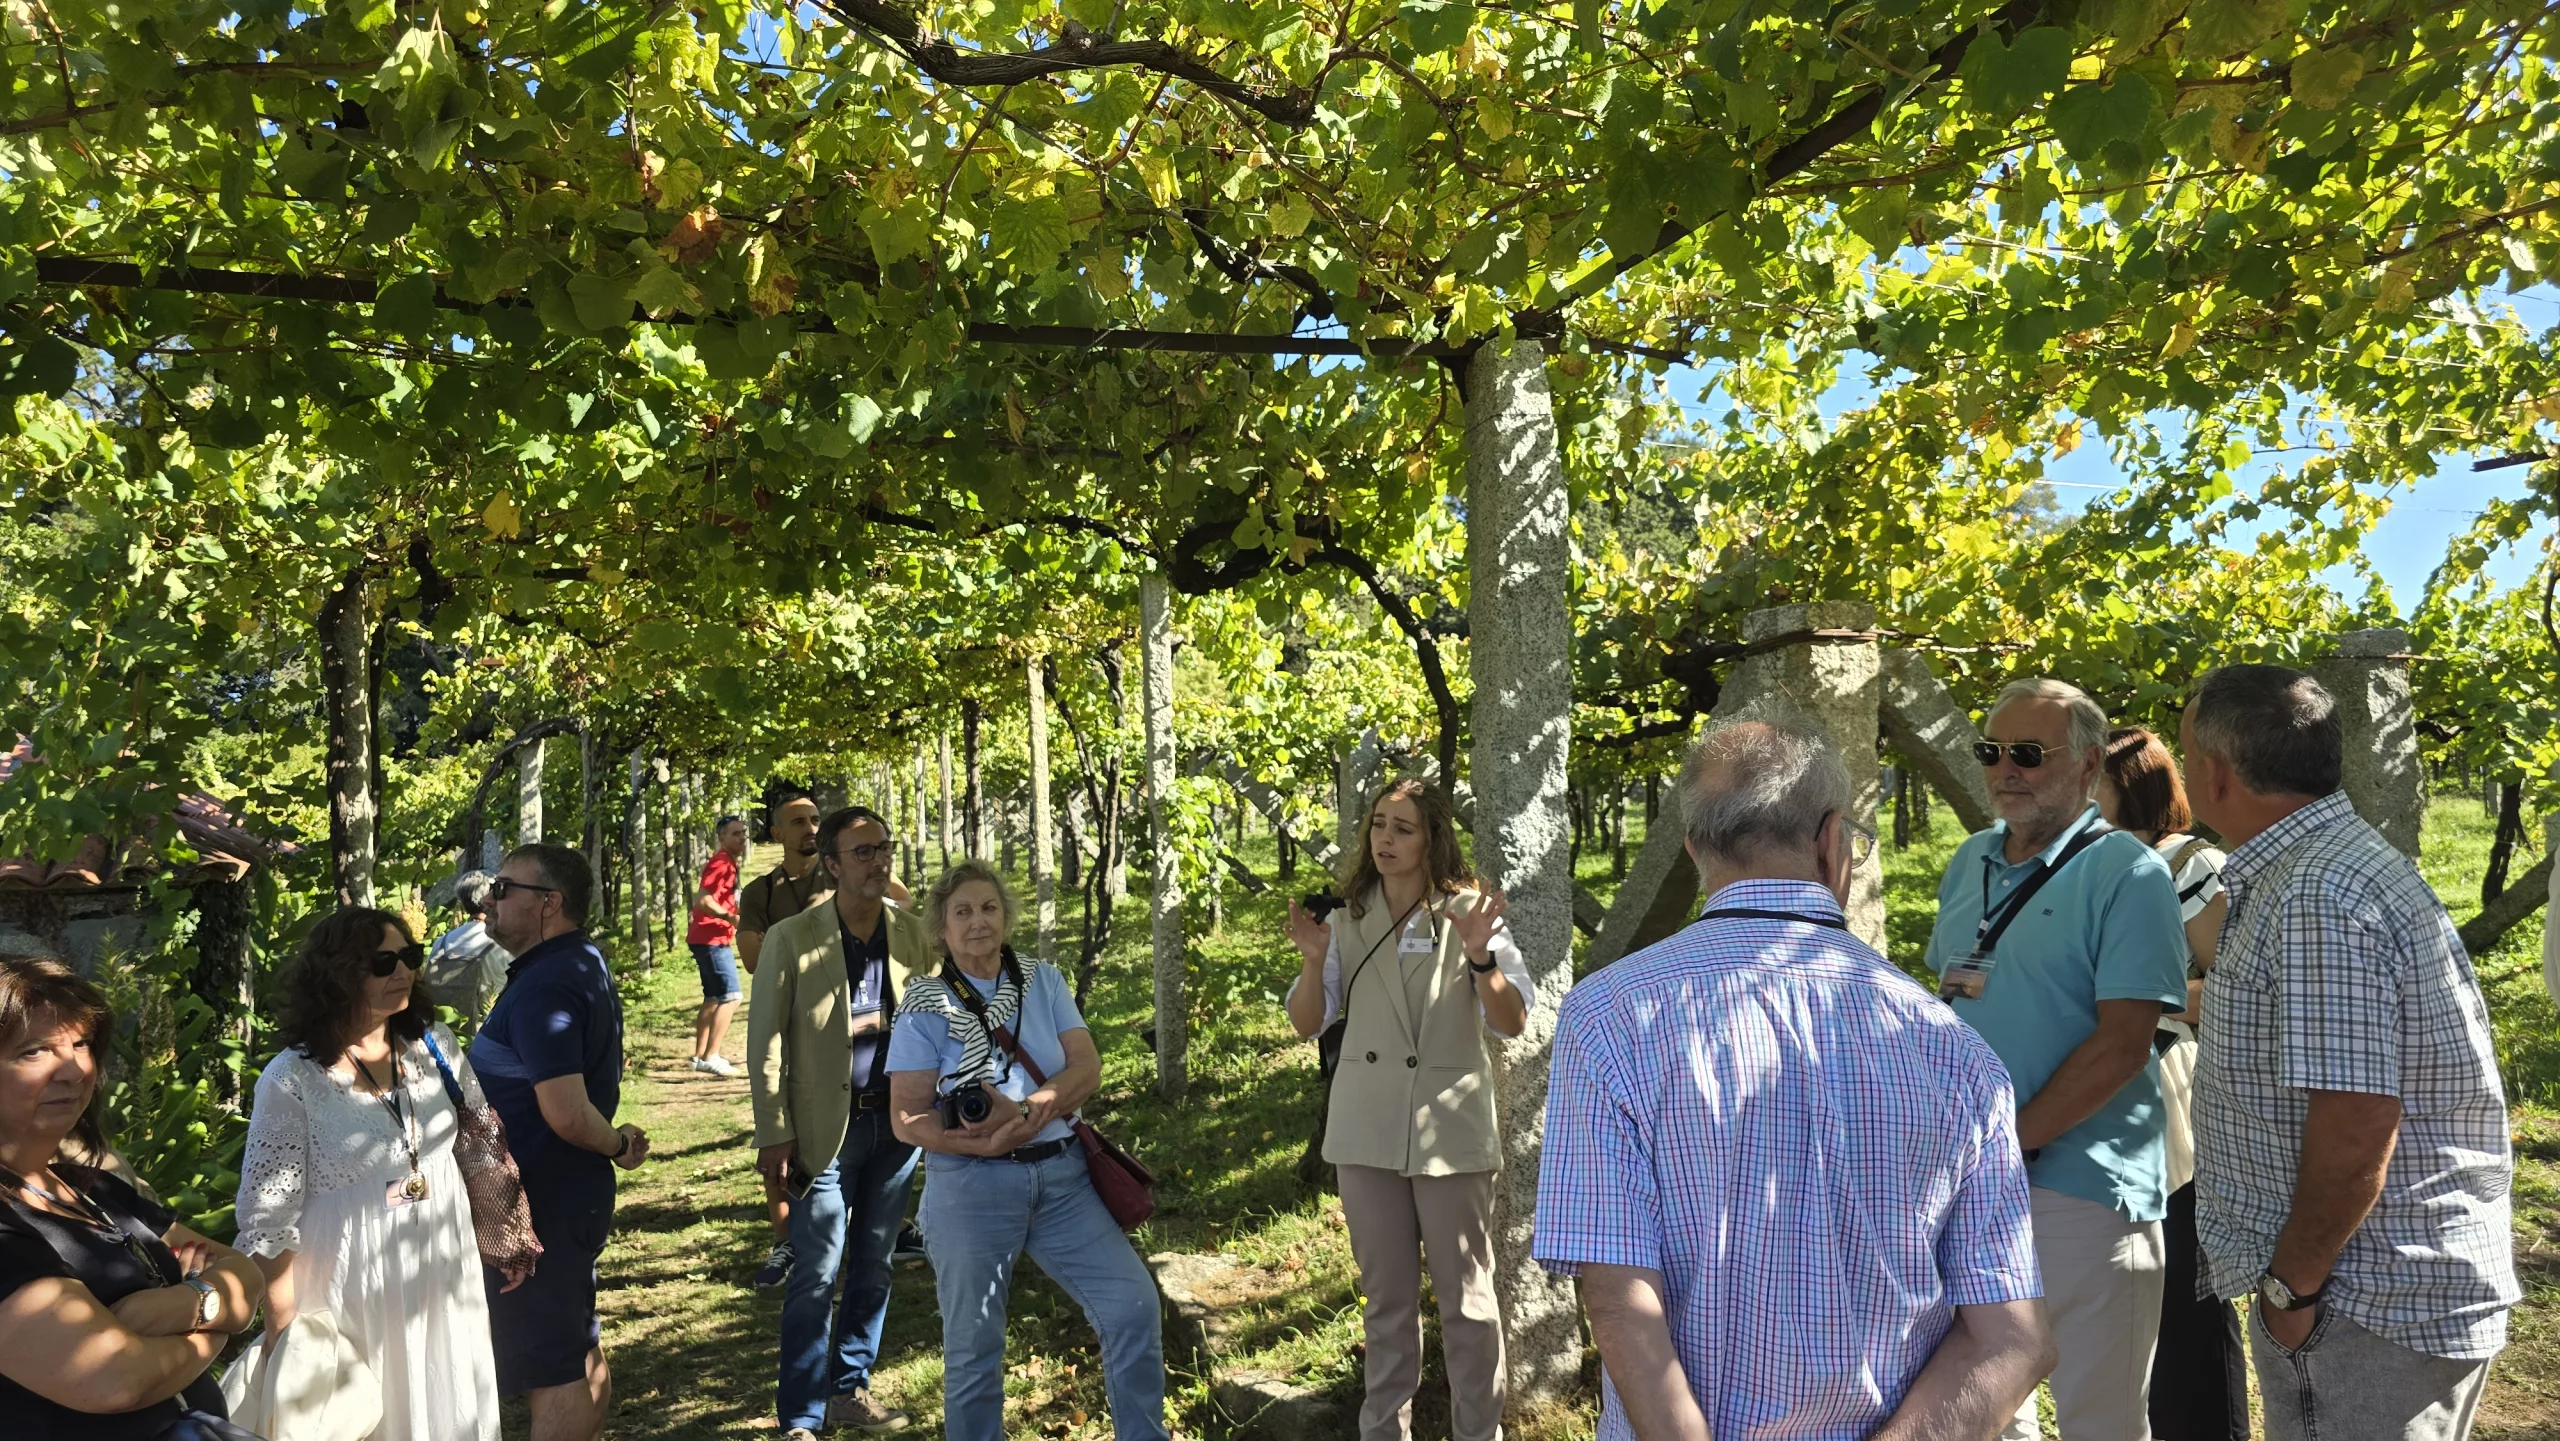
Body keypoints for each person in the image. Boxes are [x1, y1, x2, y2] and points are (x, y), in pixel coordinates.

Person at [1536, 721, 2054, 1440]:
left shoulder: (1609, 1016)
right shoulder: (1954, 1050)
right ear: (1833, 841)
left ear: (1694, 848)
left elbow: (1621, 1302)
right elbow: (2012, 1337)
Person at [2184, 665, 2518, 1440]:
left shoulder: (2315, 894)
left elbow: (2357, 1118)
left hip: (2361, 1299)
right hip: (2373, 1290)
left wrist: (2292, 1289)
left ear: (2217, 772)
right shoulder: (2324, 866)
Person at [1923, 678, 2189, 1441]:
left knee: (2099, 1417)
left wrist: (2010, 1139)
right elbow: (1951, 1002)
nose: (2005, 769)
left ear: (2088, 764)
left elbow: (2123, 1043)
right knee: (1990, 1406)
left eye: (2029, 753)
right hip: (1976, 1182)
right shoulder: (1970, 858)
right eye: (1991, 751)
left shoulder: (2129, 873)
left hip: (2082, 1190)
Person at [1280, 777, 1533, 1441]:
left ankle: (1478, 1432)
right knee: (1387, 1303)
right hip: (1367, 1129)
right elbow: (1306, 1023)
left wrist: (1481, 958)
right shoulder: (1345, 917)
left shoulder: (1469, 912)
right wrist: (1312, 963)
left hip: (1449, 1128)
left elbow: (1511, 1022)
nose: (1385, 839)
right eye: (1378, 825)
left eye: (1403, 828)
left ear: (1432, 839)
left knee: (1468, 1303)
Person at [886, 860, 1164, 1441]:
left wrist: (1031, 1110)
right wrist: (978, 1140)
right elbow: (906, 1117)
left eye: (989, 908)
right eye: (963, 912)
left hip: (1063, 1180)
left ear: (1006, 917)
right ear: (941, 928)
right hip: (969, 1186)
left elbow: (1086, 1067)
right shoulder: (924, 1004)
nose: (978, 922)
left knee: (1133, 1306)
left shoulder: (1044, 980)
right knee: (974, 1350)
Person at [235, 907, 515, 1441]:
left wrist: (505, 1232)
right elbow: (268, 1221)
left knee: (448, 1397)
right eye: (383, 963)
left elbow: (479, 1139)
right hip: (352, 1284)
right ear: (338, 974)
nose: (403, 971)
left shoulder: (433, 1045)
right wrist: (282, 1330)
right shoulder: (291, 1079)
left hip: (441, 1265)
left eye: (409, 956)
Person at [0, 954, 266, 1440]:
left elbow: (245, 1276)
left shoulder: (91, 1188)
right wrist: (214, 1329)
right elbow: (113, 1379)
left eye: (81, 1044)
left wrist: (183, 1306)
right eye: (35, 1051)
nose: (73, 1069)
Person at [750, 806, 932, 1437]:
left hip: (897, 1128)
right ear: (831, 864)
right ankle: (800, 1416)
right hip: (824, 1130)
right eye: (863, 852)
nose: (879, 861)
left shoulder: (911, 933)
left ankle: (849, 1388)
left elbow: (937, 1019)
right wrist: (774, 1129)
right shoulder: (792, 938)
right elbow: (766, 1039)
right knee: (817, 1268)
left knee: (875, 1262)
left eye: (884, 848)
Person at [469, 843, 649, 1441]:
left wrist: (617, 1145)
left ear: (550, 903)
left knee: (552, 1364)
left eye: (503, 889)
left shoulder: (547, 984)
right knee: (572, 1344)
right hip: (558, 1195)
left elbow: (567, 1113)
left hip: (540, 1203)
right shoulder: (572, 963)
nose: (488, 900)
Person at [2094, 726, 2245, 1441]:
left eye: (2092, 779)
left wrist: (2132, 996)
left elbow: (2237, 991)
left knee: (2187, 1289)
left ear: (2132, 786)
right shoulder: (2083, 863)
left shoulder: (2188, 863)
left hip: (2171, 1101)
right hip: (2102, 1100)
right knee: (2132, 1294)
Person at [740, 789, 831, 1286]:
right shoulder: (760, 892)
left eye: (815, 819)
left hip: (838, 1023)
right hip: (783, 1022)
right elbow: (755, 959)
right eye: (798, 821)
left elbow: (898, 911)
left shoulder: (841, 872)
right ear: (776, 833)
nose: (810, 828)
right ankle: (786, 1241)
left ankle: (875, 1226)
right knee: (777, 1128)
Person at [688, 814, 749, 1076]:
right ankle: (711, 1056)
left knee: (713, 998)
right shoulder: (722, 863)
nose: (742, 838)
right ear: (722, 838)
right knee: (732, 996)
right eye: (735, 834)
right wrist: (729, 917)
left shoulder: (728, 862)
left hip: (706, 938)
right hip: (711, 939)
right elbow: (703, 900)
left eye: (743, 833)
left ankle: (700, 1056)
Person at [423, 869, 512, 1020]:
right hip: (487, 1026)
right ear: (490, 899)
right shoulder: (502, 943)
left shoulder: (442, 942)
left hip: (447, 1025)